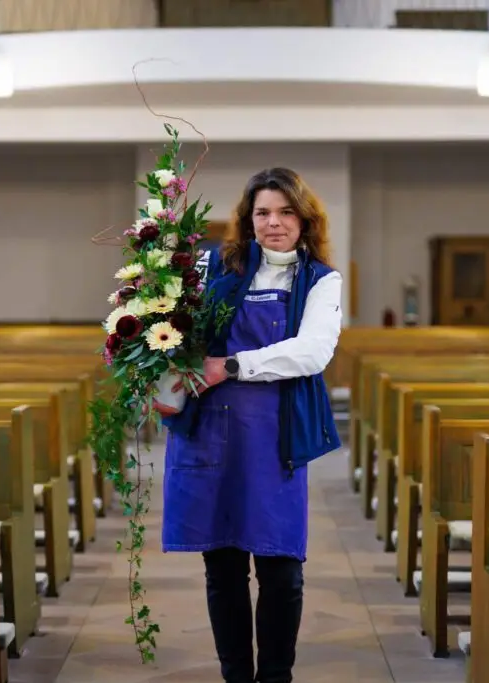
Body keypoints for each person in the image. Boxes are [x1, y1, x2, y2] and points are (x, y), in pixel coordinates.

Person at [157, 167, 343, 683]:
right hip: (213, 435)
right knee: (223, 569)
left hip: (274, 439)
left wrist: (232, 365)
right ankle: (236, 676)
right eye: (263, 212)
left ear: (305, 220)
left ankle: (276, 676)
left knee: (282, 571)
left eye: (286, 213)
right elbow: (170, 332)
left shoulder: (320, 280)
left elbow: (312, 352)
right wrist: (158, 375)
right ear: (248, 219)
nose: (274, 223)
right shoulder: (214, 266)